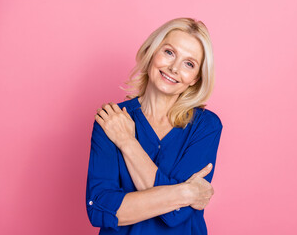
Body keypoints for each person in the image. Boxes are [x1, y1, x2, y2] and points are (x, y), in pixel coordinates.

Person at [86, 17, 223, 234]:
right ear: (152, 51)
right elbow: (100, 208)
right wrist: (185, 194)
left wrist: (126, 141)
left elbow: (175, 215)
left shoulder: (206, 126)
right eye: (169, 52)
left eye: (189, 64)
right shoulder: (111, 119)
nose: (174, 68)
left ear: (196, 78)